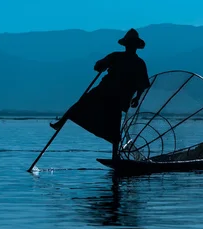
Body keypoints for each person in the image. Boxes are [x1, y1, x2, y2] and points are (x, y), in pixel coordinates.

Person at [50, 28, 150, 160]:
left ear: (135, 46)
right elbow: (98, 66)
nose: (130, 47)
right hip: (105, 91)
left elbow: (142, 84)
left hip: (117, 97)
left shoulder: (137, 63)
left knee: (114, 125)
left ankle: (115, 156)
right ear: (127, 45)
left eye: (132, 44)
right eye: (129, 44)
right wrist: (102, 66)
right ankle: (60, 124)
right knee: (81, 105)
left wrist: (137, 97)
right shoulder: (117, 57)